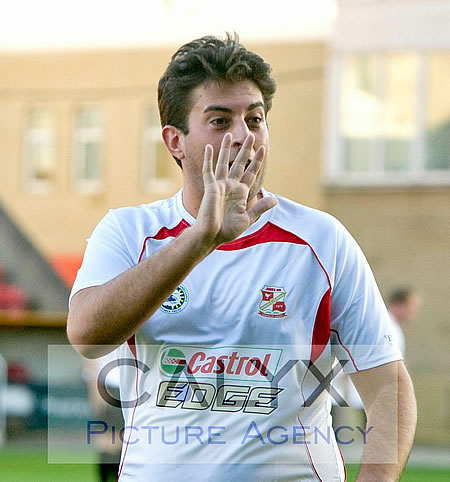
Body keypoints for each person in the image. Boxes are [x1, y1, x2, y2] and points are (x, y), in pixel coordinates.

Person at [67, 34, 417, 481]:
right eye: (219, 120)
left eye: (255, 119)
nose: (242, 136)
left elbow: (388, 386)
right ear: (175, 141)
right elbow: (88, 336)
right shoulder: (128, 232)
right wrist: (200, 240)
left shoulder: (321, 240)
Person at [387, 287, 421, 356]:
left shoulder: (394, 326)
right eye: (412, 305)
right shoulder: (386, 326)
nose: (414, 311)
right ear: (399, 304)